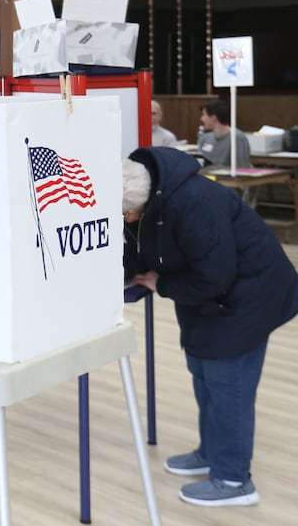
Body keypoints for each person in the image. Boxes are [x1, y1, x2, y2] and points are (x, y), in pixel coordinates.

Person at [122, 146, 298, 507]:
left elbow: (215, 276)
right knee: (203, 372)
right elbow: (142, 253)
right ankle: (211, 452)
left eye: (126, 214)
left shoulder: (194, 204)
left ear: (142, 204)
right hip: (208, 297)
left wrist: (163, 284)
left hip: (247, 295)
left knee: (228, 385)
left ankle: (234, 480)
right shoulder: (151, 201)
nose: (125, 221)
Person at [197, 99, 251, 168]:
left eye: (204, 115)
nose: (202, 119)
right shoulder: (205, 138)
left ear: (214, 118)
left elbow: (242, 167)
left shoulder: (237, 138)